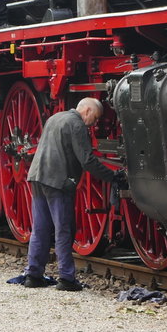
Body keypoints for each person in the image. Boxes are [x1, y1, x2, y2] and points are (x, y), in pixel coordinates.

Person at [24, 97, 123, 291]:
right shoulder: (77, 125)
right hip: (57, 182)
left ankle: (33, 275)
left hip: (37, 177)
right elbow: (87, 161)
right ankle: (66, 278)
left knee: (40, 228)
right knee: (63, 229)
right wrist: (112, 177)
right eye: (95, 118)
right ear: (86, 110)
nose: (95, 123)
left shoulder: (54, 118)